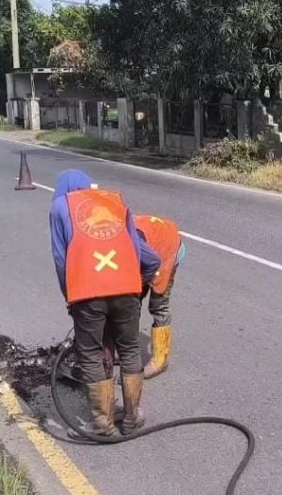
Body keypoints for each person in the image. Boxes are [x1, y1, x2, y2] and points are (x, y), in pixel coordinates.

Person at [49, 169, 160, 436]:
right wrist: (135, 287)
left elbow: (61, 259)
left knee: (90, 354)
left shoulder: (59, 206)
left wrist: (70, 298)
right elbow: (136, 249)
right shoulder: (115, 201)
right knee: (130, 349)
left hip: (87, 292)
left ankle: (102, 423)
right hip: (126, 287)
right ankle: (132, 417)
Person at [133, 214, 185, 379]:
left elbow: (153, 262)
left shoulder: (131, 241)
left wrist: (142, 281)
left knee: (158, 304)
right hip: (150, 245)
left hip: (166, 250)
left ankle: (160, 360)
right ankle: (127, 351)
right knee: (132, 302)